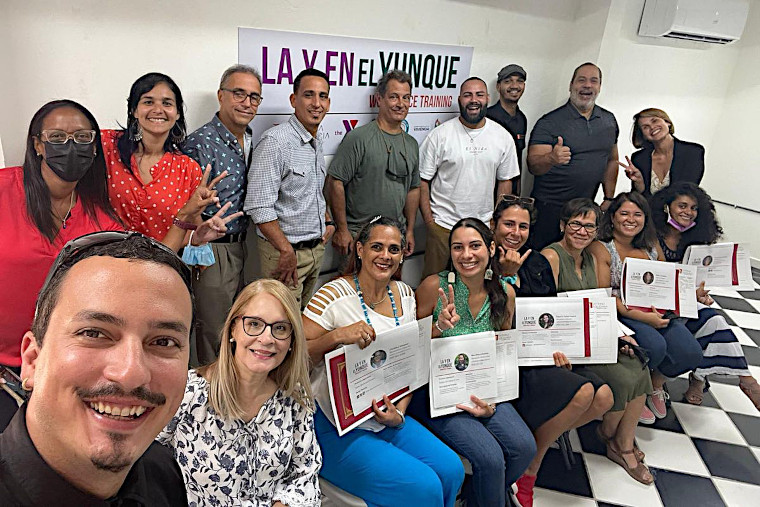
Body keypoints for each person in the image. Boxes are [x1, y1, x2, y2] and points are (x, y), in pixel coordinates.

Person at [0, 231, 193, 504]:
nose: (130, 373)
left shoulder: (160, 471)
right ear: (32, 359)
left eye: (163, 341)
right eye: (94, 334)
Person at [303, 217, 464, 506]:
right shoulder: (332, 295)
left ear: (403, 255)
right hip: (334, 425)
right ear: (360, 250)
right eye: (377, 246)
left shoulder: (404, 294)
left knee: (452, 470)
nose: (385, 256)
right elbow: (294, 357)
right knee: (424, 487)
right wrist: (336, 336)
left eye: (393, 249)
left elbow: (407, 360)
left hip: (385, 417)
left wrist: (399, 414)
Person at [490, 197, 613, 505]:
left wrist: (561, 346)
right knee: (584, 393)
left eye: (523, 226)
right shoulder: (478, 256)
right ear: (494, 226)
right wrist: (504, 276)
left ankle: (531, 448)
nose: (515, 232)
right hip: (505, 358)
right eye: (508, 224)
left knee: (603, 398)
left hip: (539, 353)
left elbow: (551, 316)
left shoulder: (536, 263)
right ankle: (530, 467)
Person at [157, 279, 321, 505]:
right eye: (254, 324)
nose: (266, 339)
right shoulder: (188, 393)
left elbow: (305, 472)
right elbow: (145, 464)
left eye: (280, 328)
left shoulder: (294, 398)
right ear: (233, 328)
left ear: (292, 340)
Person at [410, 217, 536, 507]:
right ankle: (490, 494)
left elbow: (503, 354)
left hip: (486, 391)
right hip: (438, 395)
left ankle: (478, 496)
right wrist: (437, 327)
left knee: (523, 447)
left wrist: (492, 401)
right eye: (458, 247)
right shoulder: (434, 287)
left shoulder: (505, 293)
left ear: (491, 248)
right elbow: (409, 351)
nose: (466, 255)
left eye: (475, 245)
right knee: (490, 458)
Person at [0, 100, 122, 371]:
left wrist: (184, 228)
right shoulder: (4, 189)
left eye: (81, 137)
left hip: (63, 367)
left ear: (93, 148)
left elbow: (131, 276)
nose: (69, 146)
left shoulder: (101, 220)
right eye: (57, 137)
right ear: (38, 145)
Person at [542, 198, 654, 485]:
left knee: (638, 364)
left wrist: (619, 335)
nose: (582, 231)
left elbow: (600, 306)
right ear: (563, 226)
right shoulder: (551, 257)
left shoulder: (591, 258)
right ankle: (609, 435)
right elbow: (546, 313)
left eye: (589, 226)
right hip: (566, 346)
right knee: (621, 378)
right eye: (575, 224)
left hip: (592, 337)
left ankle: (623, 442)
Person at [590, 192, 704, 422]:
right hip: (621, 313)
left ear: (645, 219)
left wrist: (691, 295)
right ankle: (634, 394)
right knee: (655, 346)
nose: (630, 219)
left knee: (690, 352)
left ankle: (653, 385)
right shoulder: (601, 248)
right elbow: (603, 296)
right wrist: (641, 318)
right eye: (624, 213)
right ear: (612, 217)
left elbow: (668, 282)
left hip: (656, 311)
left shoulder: (651, 247)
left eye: (637, 214)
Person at [651, 183, 760, 410]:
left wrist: (698, 294)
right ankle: (728, 380)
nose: (687, 212)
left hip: (684, 300)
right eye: (682, 206)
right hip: (656, 302)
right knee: (708, 325)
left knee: (715, 321)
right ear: (666, 207)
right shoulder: (652, 236)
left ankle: (728, 379)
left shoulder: (696, 241)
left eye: (693, 208)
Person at [183, 64, 263, 366]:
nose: (247, 103)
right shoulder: (199, 143)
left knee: (244, 326)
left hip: (247, 246)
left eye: (254, 97)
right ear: (221, 96)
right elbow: (185, 208)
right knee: (213, 330)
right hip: (212, 249)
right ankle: (209, 398)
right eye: (239, 94)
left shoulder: (252, 139)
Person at [103, 72, 224, 251]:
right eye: (148, 102)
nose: (158, 109)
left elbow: (185, 231)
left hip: (159, 269)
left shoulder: (188, 170)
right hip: (105, 265)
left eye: (167, 103)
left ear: (177, 114)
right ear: (134, 110)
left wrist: (198, 236)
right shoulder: (106, 146)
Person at [245, 68, 335, 309]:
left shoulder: (317, 138)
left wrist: (327, 222)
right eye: (309, 95)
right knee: (282, 322)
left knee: (302, 320)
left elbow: (311, 191)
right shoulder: (275, 142)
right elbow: (258, 205)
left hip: (314, 250)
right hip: (285, 253)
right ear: (293, 100)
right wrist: (286, 251)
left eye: (323, 96)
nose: (317, 103)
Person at [419, 77, 519, 278]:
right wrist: (430, 221)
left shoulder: (502, 137)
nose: (474, 100)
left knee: (476, 285)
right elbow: (422, 180)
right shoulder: (440, 135)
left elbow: (505, 181)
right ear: (459, 100)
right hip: (443, 226)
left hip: (482, 227)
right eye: (468, 95)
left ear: (488, 98)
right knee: (433, 284)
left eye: (479, 95)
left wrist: (495, 220)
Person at [328, 69, 420, 266]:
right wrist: (342, 229)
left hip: (395, 238)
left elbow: (413, 189)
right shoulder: (358, 138)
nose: (400, 104)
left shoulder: (411, 144)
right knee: (354, 293)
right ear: (379, 99)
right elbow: (335, 182)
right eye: (394, 97)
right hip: (359, 237)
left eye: (406, 98)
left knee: (388, 294)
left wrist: (410, 230)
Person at [527, 63, 619, 250]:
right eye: (581, 80)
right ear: (571, 85)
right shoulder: (549, 122)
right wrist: (551, 158)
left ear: (599, 87)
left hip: (586, 209)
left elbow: (611, 160)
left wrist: (609, 197)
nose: (587, 85)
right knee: (542, 262)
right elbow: (533, 165)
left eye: (594, 81)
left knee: (575, 261)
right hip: (550, 209)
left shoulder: (609, 120)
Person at [619, 108, 705, 198]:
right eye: (645, 127)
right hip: (648, 211)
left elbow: (687, 192)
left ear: (667, 122)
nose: (652, 127)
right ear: (643, 135)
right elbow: (639, 199)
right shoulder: (639, 158)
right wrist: (639, 183)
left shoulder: (693, 152)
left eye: (655, 121)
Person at [487, 64, 528, 193]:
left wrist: (517, 196)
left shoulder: (522, 119)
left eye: (519, 81)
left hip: (511, 195)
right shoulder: (487, 117)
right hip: (487, 194)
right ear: (498, 87)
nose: (514, 86)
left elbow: (518, 162)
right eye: (508, 81)